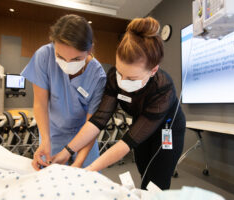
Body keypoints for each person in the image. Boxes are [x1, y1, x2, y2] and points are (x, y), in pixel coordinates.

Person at [51, 16, 186, 190]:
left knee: (155, 183)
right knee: (143, 170)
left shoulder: (163, 89)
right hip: (140, 123)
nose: (122, 81)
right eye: (120, 72)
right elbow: (98, 120)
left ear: (153, 70)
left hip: (168, 130)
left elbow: (127, 142)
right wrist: (66, 152)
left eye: (131, 78)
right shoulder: (114, 78)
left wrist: (88, 169)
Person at [21, 14, 107, 171]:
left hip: (84, 135)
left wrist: (79, 163)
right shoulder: (44, 56)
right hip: (53, 133)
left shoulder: (98, 76)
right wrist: (45, 140)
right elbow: (40, 104)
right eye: (60, 57)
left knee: (86, 177)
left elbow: (92, 124)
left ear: (90, 50)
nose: (67, 65)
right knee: (49, 177)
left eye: (75, 59)